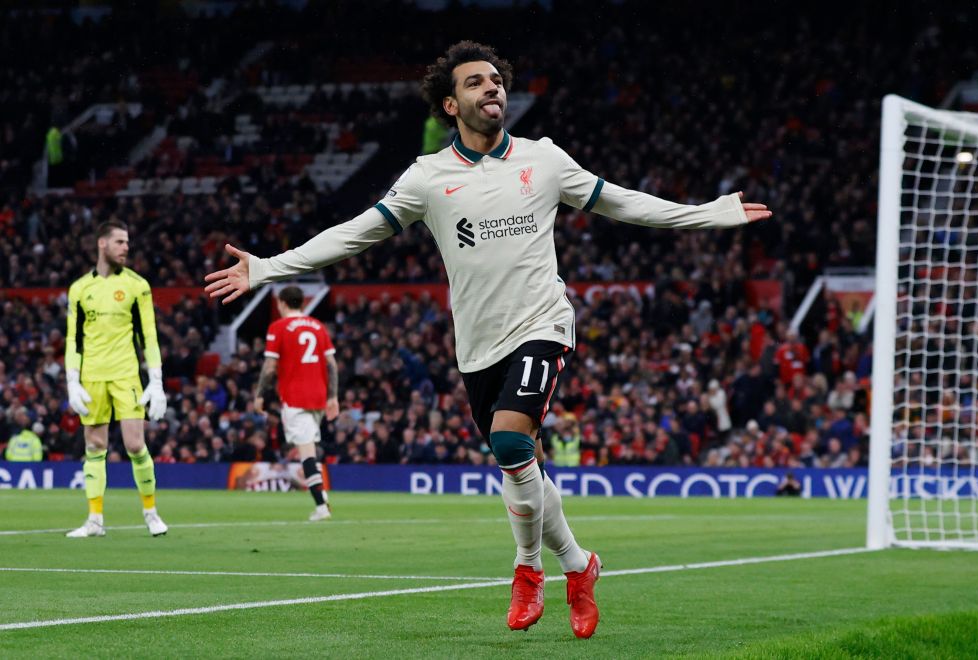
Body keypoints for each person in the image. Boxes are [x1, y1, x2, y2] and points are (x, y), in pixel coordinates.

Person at [205, 41, 771, 638]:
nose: (492, 88)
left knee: (508, 441)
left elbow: (624, 204)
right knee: (522, 466)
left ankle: (529, 570)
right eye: (476, 83)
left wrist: (707, 213)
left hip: (543, 324)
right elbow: (355, 233)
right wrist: (268, 267)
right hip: (476, 344)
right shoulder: (428, 178)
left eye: (497, 80)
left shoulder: (544, 159)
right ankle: (578, 566)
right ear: (451, 104)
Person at [64, 219, 169, 538]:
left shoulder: (138, 285)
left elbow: (148, 335)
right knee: (94, 446)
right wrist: (72, 380)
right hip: (92, 376)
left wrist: (156, 380)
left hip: (126, 374)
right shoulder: (80, 289)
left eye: (127, 242)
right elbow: (74, 340)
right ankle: (95, 520)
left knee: (136, 445)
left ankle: (151, 513)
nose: (126, 247)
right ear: (102, 244)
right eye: (120, 242)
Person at [254, 286, 339, 521]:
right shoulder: (318, 327)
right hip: (319, 398)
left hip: (295, 398)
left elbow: (270, 367)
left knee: (306, 453)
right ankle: (323, 502)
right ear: (301, 303)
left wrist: (260, 394)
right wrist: (333, 396)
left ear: (281, 303)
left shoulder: (278, 328)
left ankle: (321, 506)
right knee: (308, 447)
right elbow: (331, 364)